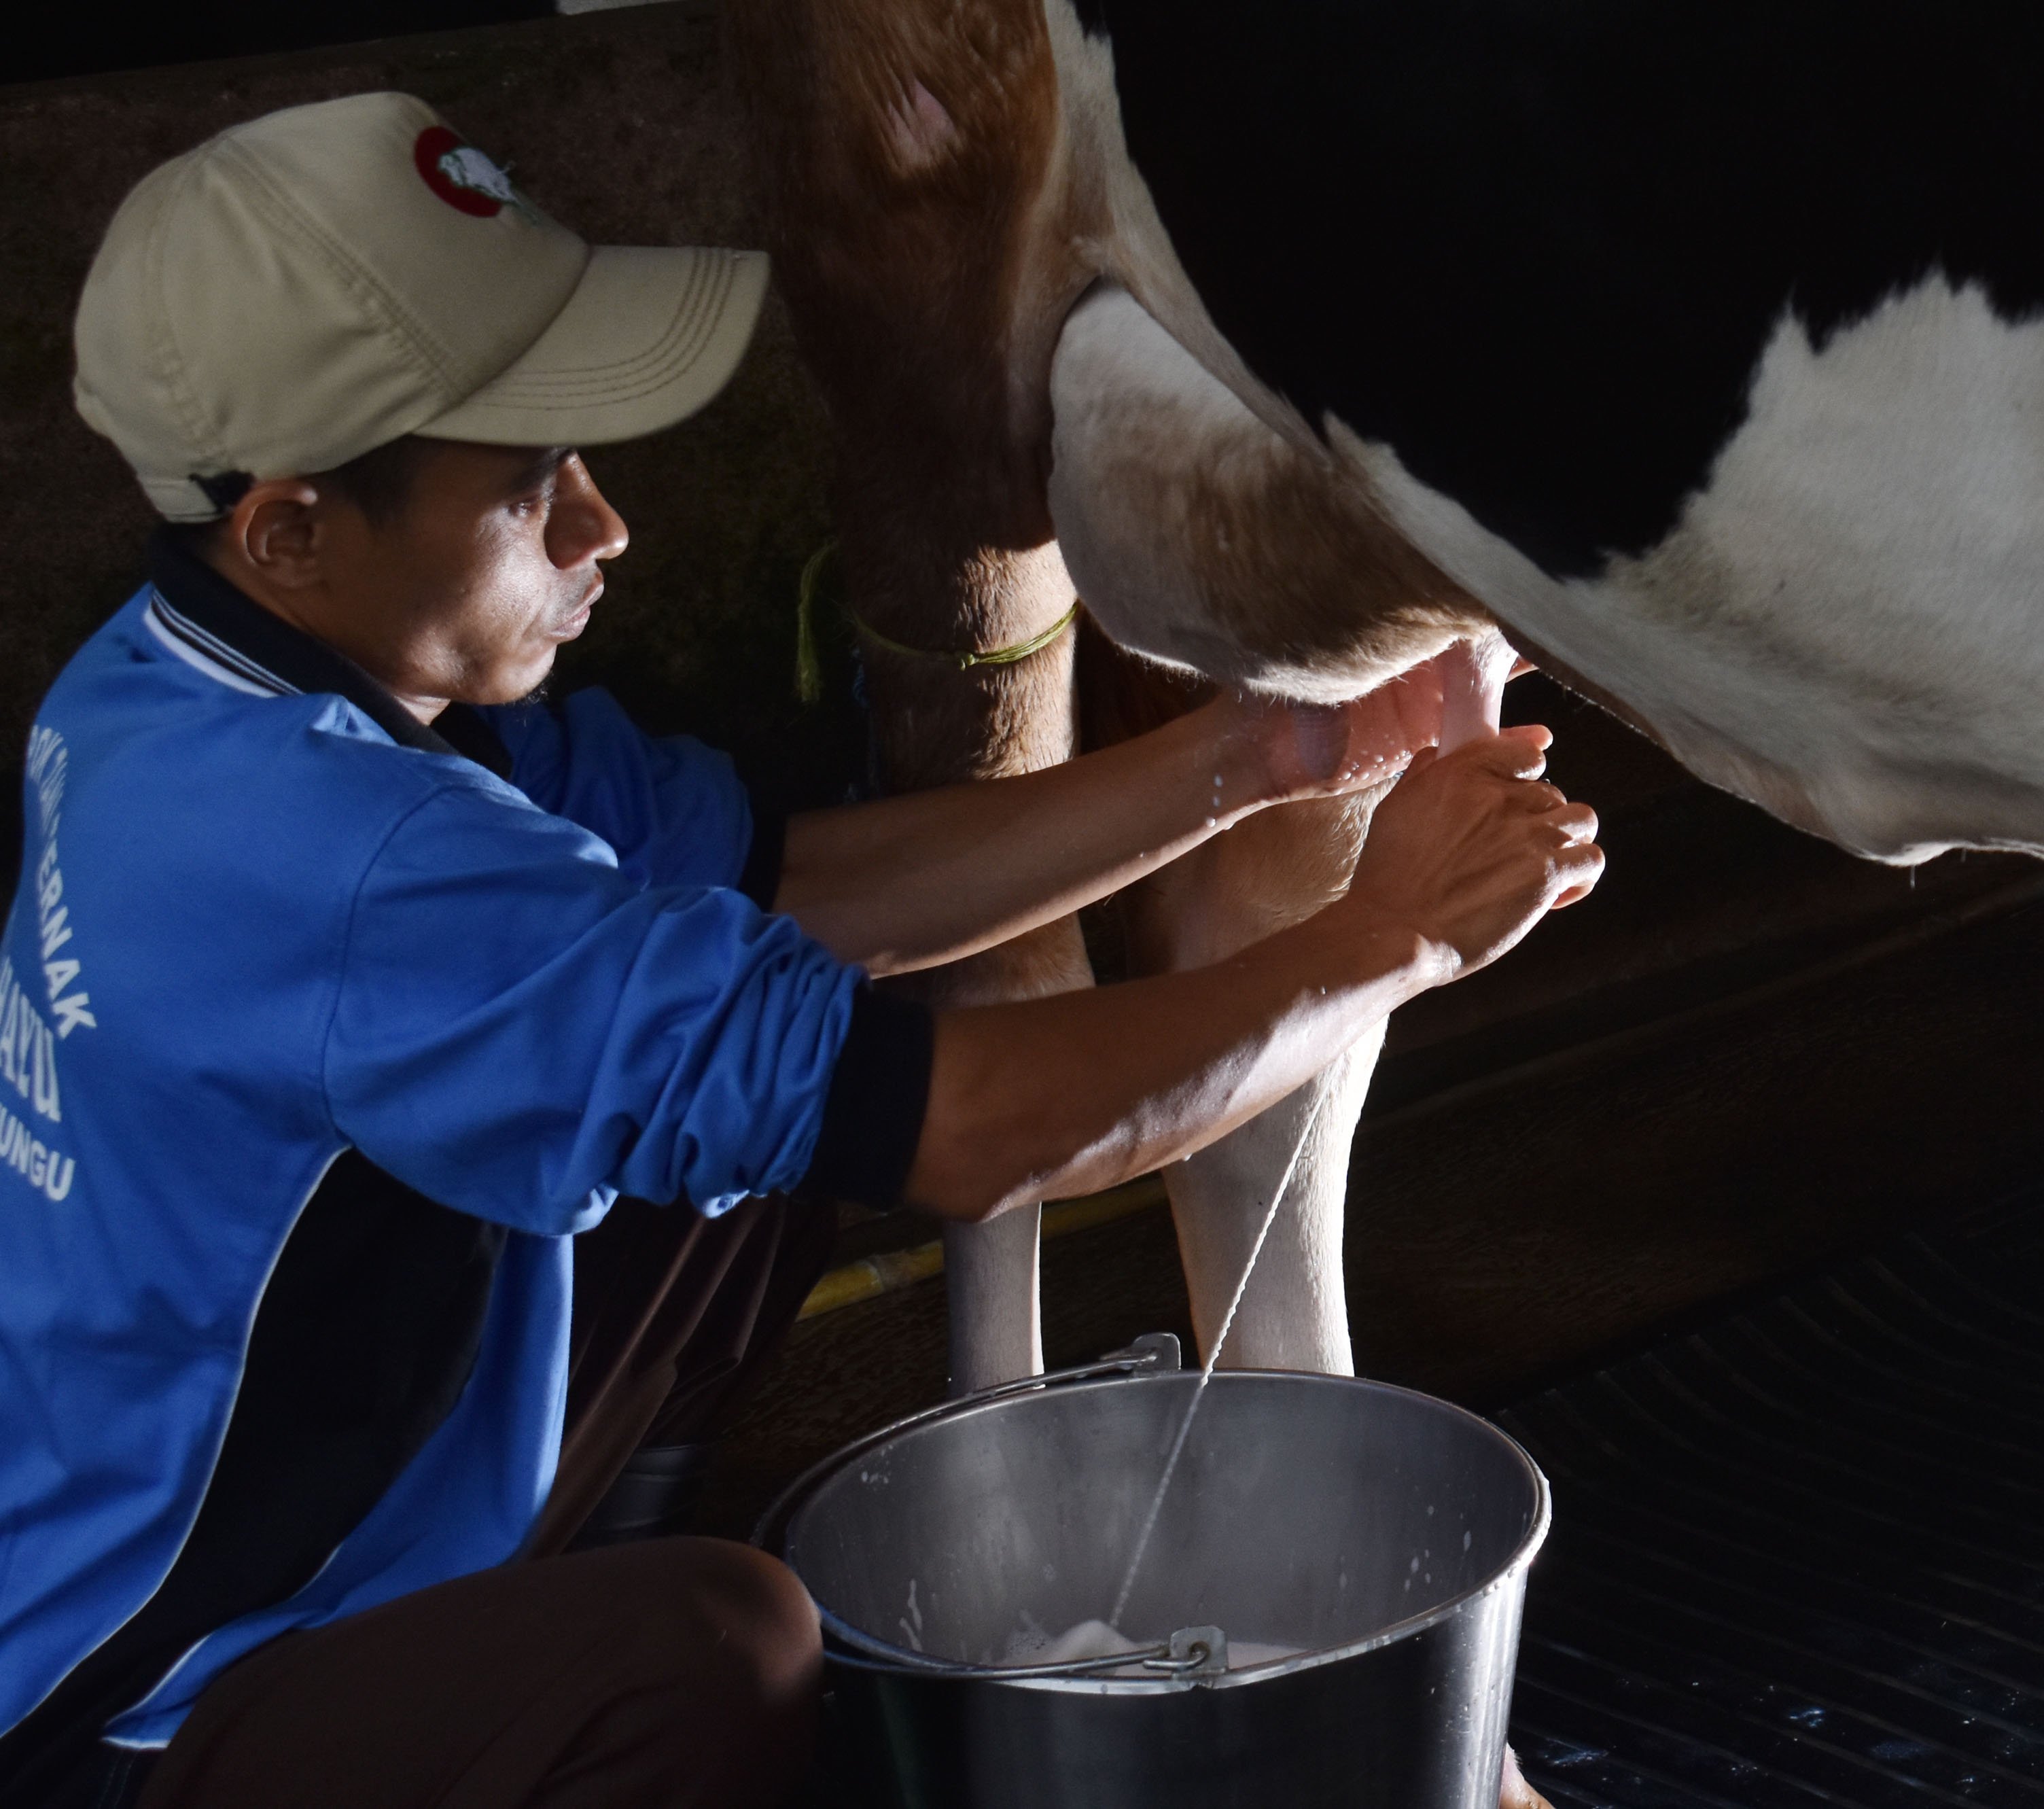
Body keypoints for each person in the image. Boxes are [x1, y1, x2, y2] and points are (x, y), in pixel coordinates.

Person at [0, 92, 1602, 1808]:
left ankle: (530, 1581)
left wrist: (1263, 758)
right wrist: (1393, 932)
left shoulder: (197, 684)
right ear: (293, 530)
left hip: (217, 1519)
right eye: (532, 485)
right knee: (716, 1648)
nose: (605, 527)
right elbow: (972, 1118)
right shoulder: (349, 864)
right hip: (133, 1718)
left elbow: (787, 883)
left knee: (738, 1060)